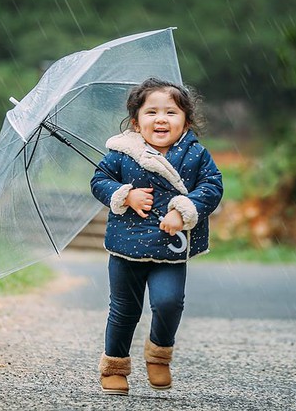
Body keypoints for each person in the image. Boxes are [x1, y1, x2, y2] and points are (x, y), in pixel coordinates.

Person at [90, 77, 223, 395]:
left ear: (186, 121)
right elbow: (99, 180)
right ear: (136, 123)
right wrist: (126, 195)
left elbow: (212, 186)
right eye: (151, 112)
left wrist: (185, 209)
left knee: (169, 303)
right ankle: (115, 364)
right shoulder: (123, 154)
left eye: (171, 112)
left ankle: (159, 354)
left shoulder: (196, 155)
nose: (161, 119)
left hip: (170, 247)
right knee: (124, 309)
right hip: (126, 247)